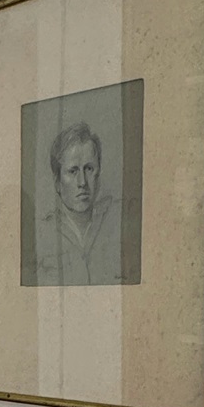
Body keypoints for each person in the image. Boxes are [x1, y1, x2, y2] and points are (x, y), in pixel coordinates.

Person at [33, 120, 123, 284]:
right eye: (73, 171)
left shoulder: (118, 222)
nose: (82, 182)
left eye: (89, 169)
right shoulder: (41, 234)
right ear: (57, 182)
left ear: (98, 175)